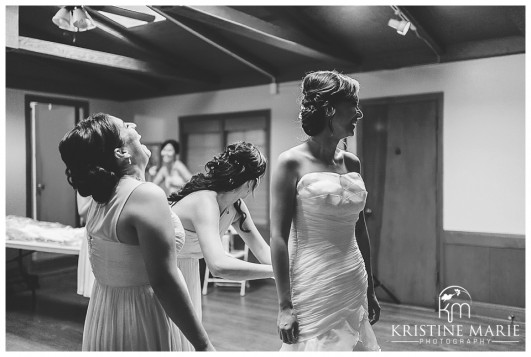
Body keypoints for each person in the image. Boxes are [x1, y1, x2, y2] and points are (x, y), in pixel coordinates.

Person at [59, 113, 214, 351]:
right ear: (121, 152)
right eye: (125, 126)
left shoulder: (102, 197)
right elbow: (164, 281)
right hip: (141, 315)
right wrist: (203, 346)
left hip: (106, 311)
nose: (134, 126)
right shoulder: (145, 195)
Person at [270, 70, 380, 351]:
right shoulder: (290, 163)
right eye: (354, 104)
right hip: (313, 279)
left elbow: (359, 228)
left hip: (353, 275)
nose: (359, 113)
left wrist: (370, 287)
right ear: (330, 108)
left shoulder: (352, 163)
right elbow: (278, 238)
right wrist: (284, 305)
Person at [168, 141, 274, 320]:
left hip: (188, 271)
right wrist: (276, 271)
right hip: (166, 270)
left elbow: (263, 251)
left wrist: (291, 268)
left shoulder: (236, 206)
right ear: (249, 182)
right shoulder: (205, 201)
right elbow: (218, 265)